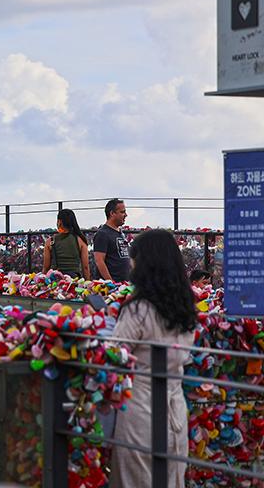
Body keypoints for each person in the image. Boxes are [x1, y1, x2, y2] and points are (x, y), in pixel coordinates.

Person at [109, 229, 197, 488]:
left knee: (136, 479)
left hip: (140, 408)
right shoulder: (185, 307)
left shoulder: (139, 309)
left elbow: (115, 354)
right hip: (175, 408)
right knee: (171, 477)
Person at [43, 208, 90, 279]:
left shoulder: (50, 241)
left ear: (59, 222)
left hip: (55, 281)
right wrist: (88, 282)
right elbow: (85, 267)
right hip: (73, 281)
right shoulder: (80, 240)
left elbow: (46, 268)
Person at [93, 198, 132, 282]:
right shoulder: (103, 234)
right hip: (110, 286)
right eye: (122, 212)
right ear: (112, 213)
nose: (126, 215)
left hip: (123, 284)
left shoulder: (121, 233)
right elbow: (99, 261)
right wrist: (110, 282)